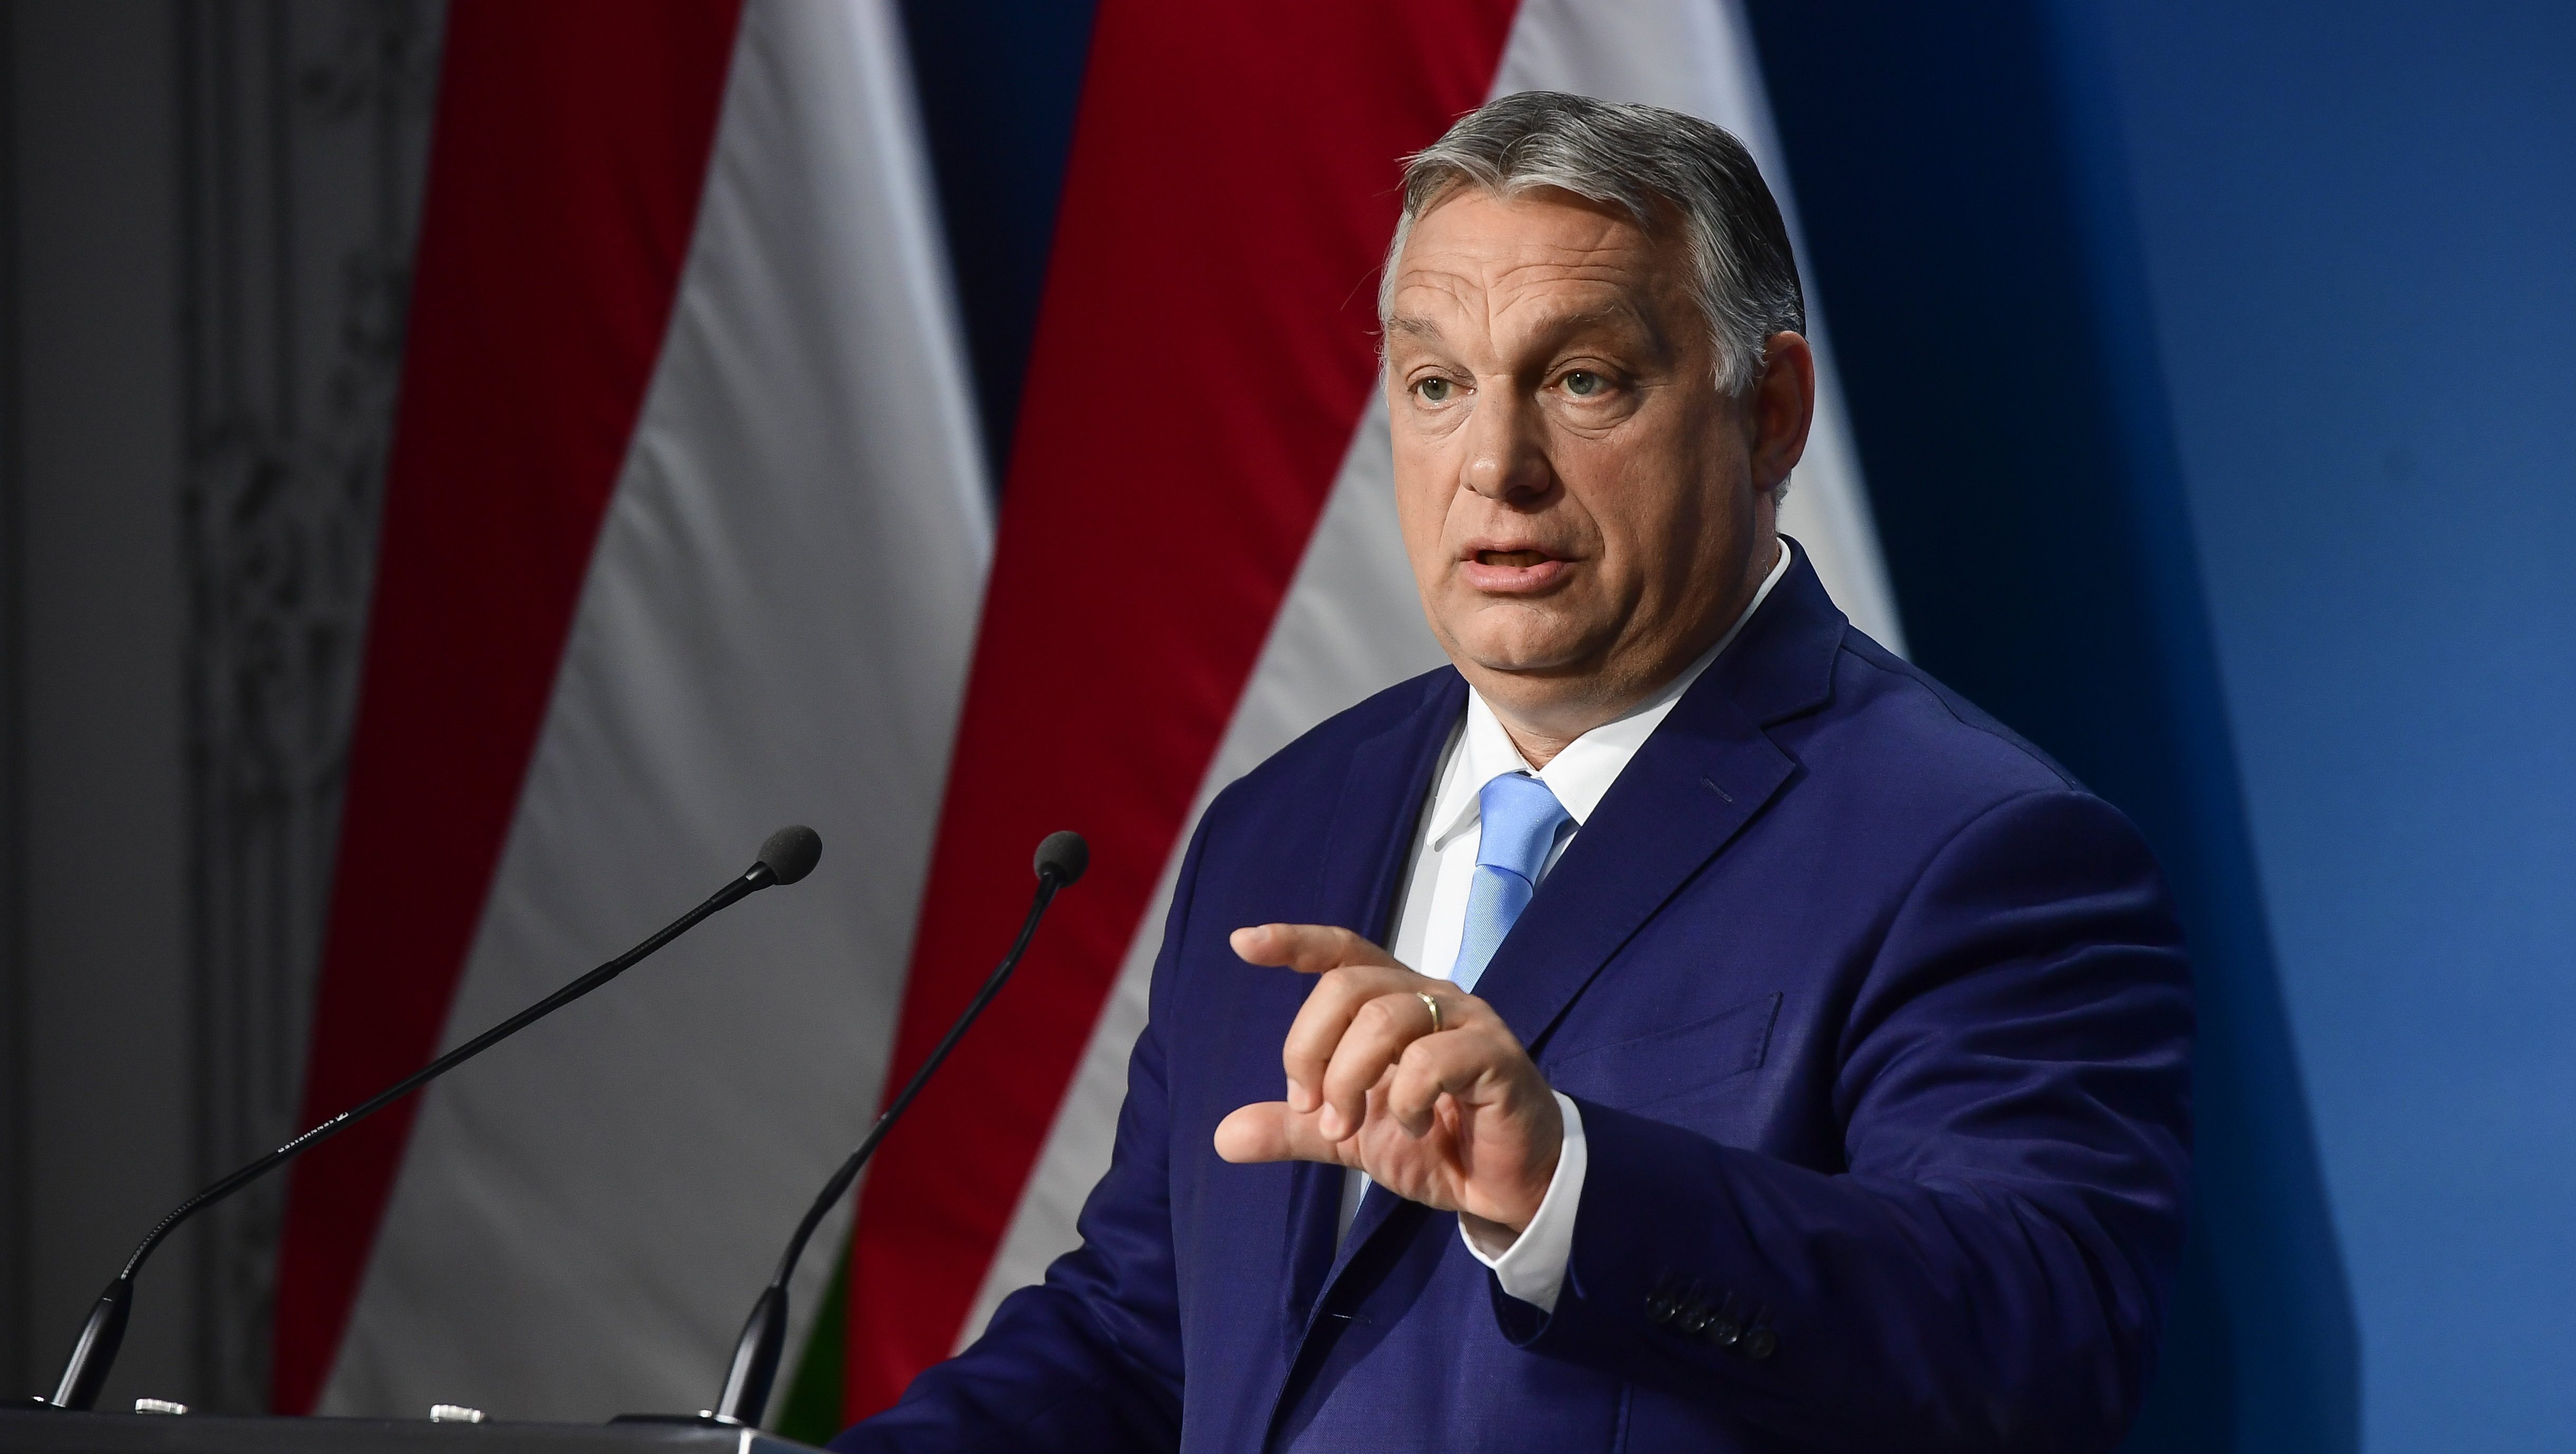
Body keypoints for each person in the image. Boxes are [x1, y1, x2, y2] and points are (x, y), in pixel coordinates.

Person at [834, 91, 2191, 1454]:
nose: (1495, 466)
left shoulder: (1974, 846)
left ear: (1770, 413)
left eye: (1582, 380)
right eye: (1438, 387)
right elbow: (1149, 1336)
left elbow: (2038, 1341)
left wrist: (1568, 1187)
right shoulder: (1279, 827)